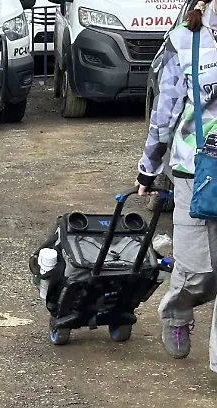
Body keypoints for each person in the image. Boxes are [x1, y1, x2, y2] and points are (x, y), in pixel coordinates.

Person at [139, 0, 217, 368]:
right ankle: (176, 312)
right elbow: (165, 110)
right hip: (196, 172)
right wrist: (149, 167)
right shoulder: (184, 40)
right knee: (199, 269)